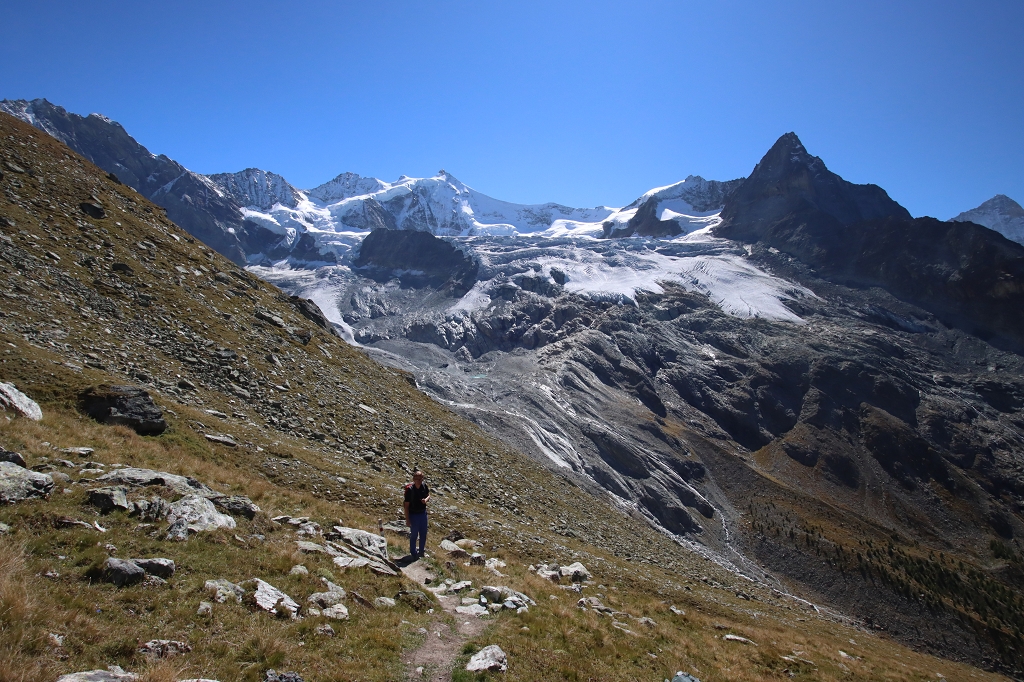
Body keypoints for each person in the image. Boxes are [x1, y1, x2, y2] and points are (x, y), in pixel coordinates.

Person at [403, 469, 430, 559]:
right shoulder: (410, 490)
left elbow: (428, 495)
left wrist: (425, 500)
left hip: (423, 513)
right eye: (417, 478)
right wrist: (407, 519)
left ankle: (421, 551)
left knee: (423, 533)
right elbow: (406, 506)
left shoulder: (424, 486)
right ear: (414, 479)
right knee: (414, 534)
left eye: (420, 478)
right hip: (413, 514)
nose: (419, 480)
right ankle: (413, 553)